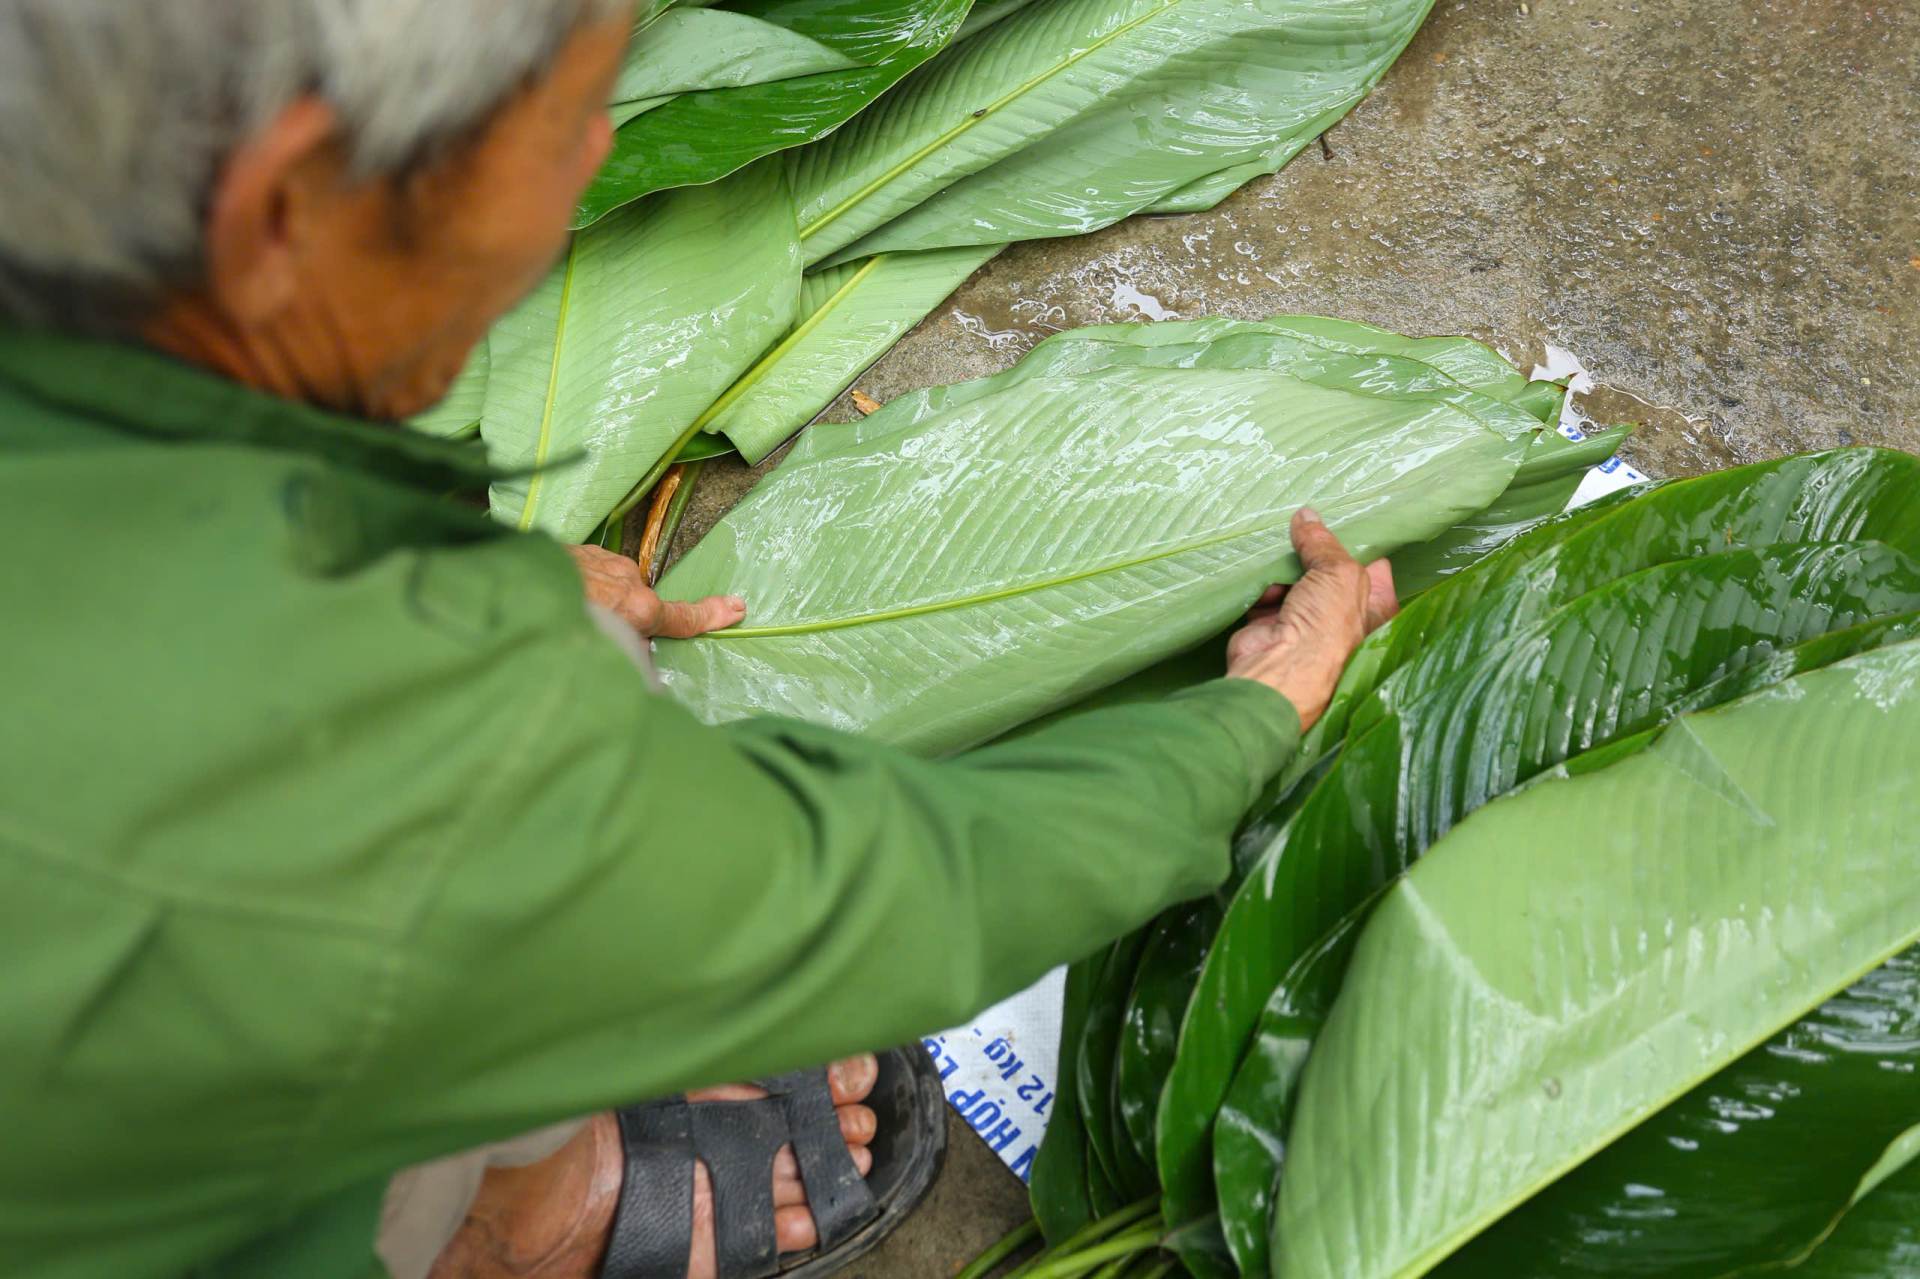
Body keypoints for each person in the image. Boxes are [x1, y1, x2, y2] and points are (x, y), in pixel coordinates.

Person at [0, 3, 1397, 1278]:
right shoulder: (376, 737)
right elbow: (877, 892)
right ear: (285, 207)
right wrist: (1243, 724)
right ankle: (503, 1229)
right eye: (565, 119)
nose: (604, 153)